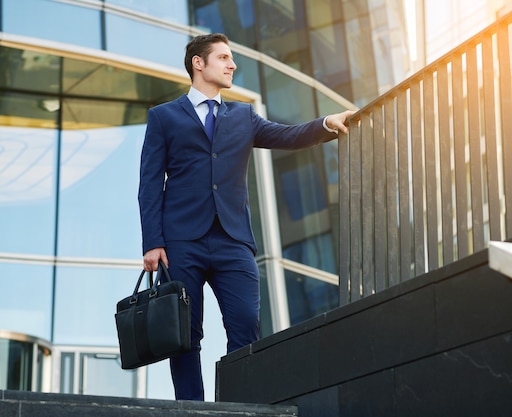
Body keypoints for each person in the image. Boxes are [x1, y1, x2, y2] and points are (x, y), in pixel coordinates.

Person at [138, 33, 355, 401]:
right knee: (185, 336)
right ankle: (191, 409)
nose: (232, 64)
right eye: (223, 57)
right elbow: (148, 183)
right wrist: (153, 242)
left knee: (245, 326)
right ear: (198, 63)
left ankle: (240, 406)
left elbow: (287, 136)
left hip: (233, 241)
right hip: (180, 242)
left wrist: (326, 123)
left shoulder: (243, 115)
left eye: (231, 58)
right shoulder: (163, 117)